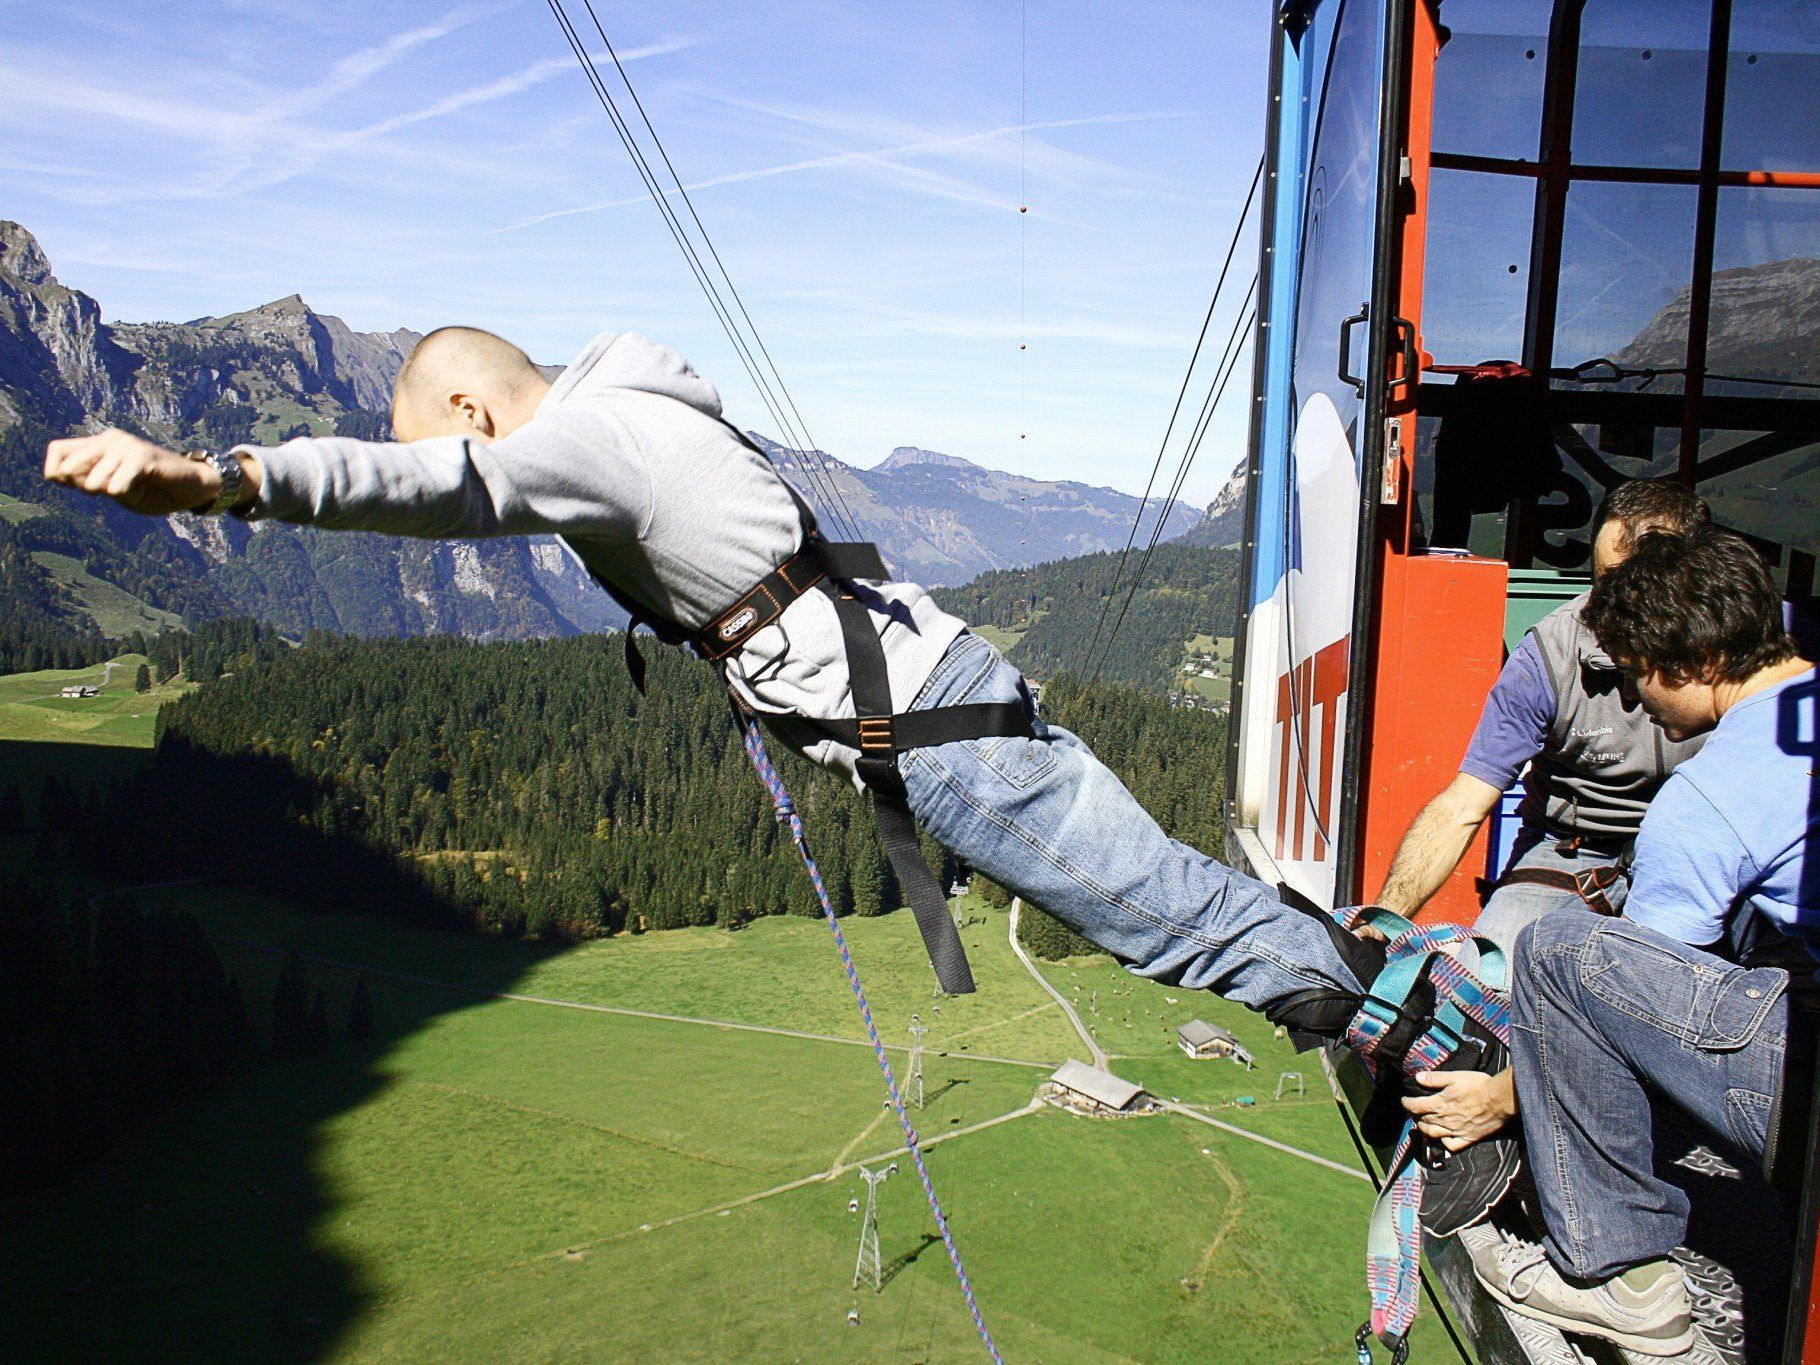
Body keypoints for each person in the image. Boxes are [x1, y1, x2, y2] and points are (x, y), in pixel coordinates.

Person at [42, 326, 1384, 1035]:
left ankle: (1408, 1029)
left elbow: (443, 494)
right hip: (940, 701)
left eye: (441, 438)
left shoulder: (582, 441)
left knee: (1168, 921)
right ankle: (1376, 995)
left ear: (468, 410)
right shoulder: (644, 415)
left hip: (938, 732)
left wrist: (227, 476)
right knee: (1164, 901)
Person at [1447, 527, 1816, 1356]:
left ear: (1690, 664)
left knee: (1562, 952)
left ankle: (1619, 1273)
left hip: (1803, 1086)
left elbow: (1625, 1008)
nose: (1640, 700)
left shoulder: (1709, 796)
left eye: (1643, 675)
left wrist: (1505, 1094)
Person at [1377, 479, 1711, 952]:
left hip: (1702, 848)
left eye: (1632, 586)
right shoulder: (1551, 654)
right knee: (1483, 986)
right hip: (1573, 848)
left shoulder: (1752, 647)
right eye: (1603, 582)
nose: (1610, 605)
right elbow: (1462, 807)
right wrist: (1382, 920)